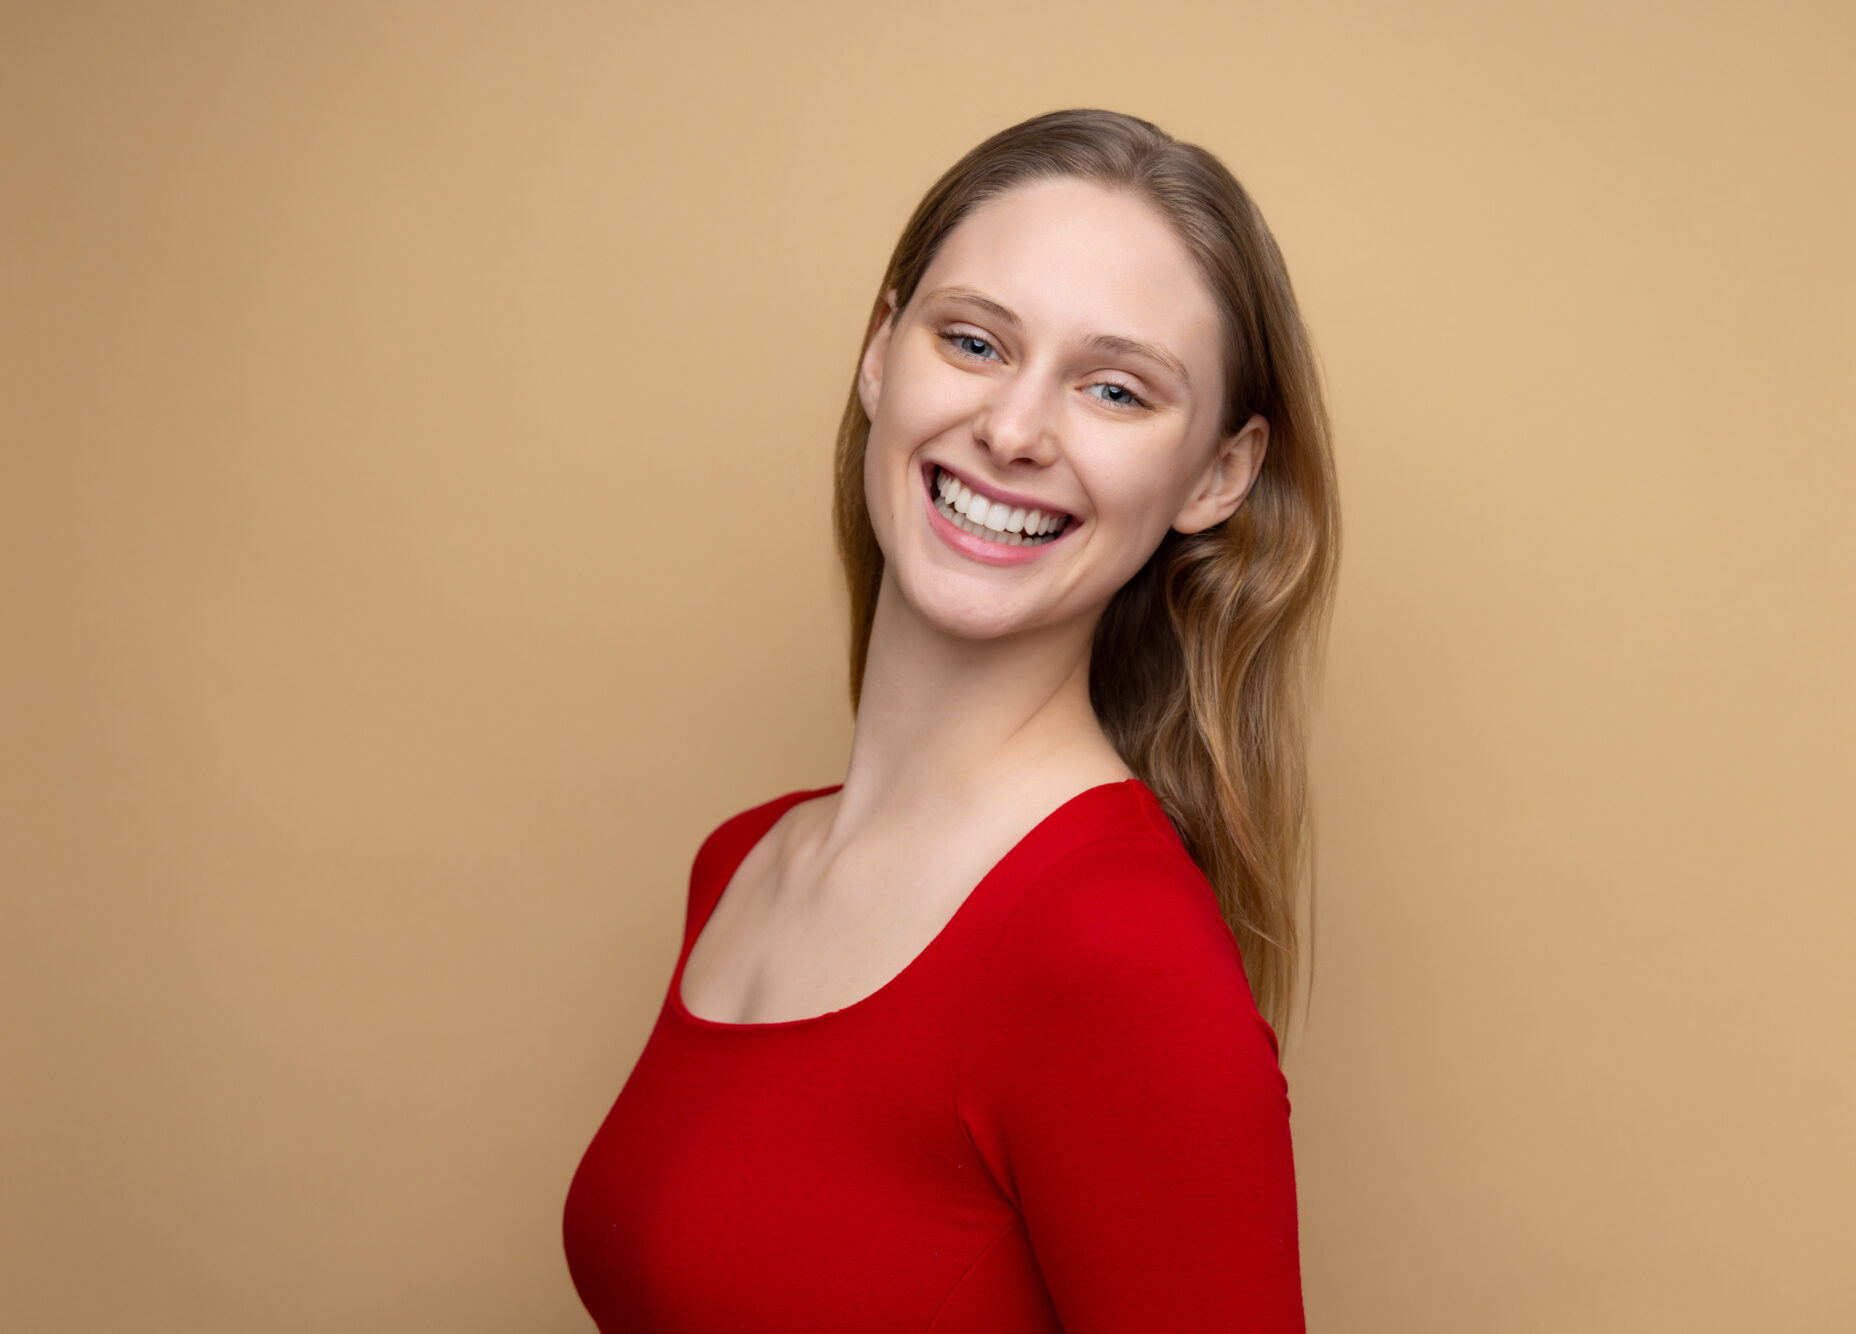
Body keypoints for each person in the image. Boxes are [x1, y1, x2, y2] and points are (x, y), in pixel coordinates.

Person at [563, 107, 1340, 1332]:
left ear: (1215, 476)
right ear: (881, 351)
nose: (1014, 429)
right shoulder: (739, 865)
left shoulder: (1113, 945)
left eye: (1115, 387)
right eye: (974, 341)